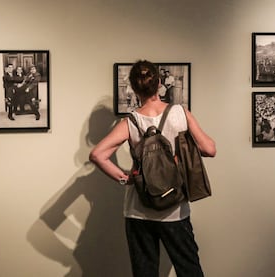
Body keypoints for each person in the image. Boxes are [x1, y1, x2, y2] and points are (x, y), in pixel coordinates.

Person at [89, 60, 216, 277]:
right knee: (189, 270)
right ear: (159, 84)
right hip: (175, 210)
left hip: (138, 210)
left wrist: (125, 178)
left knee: (145, 273)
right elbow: (209, 149)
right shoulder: (180, 113)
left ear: (134, 88)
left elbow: (97, 155)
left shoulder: (130, 121)